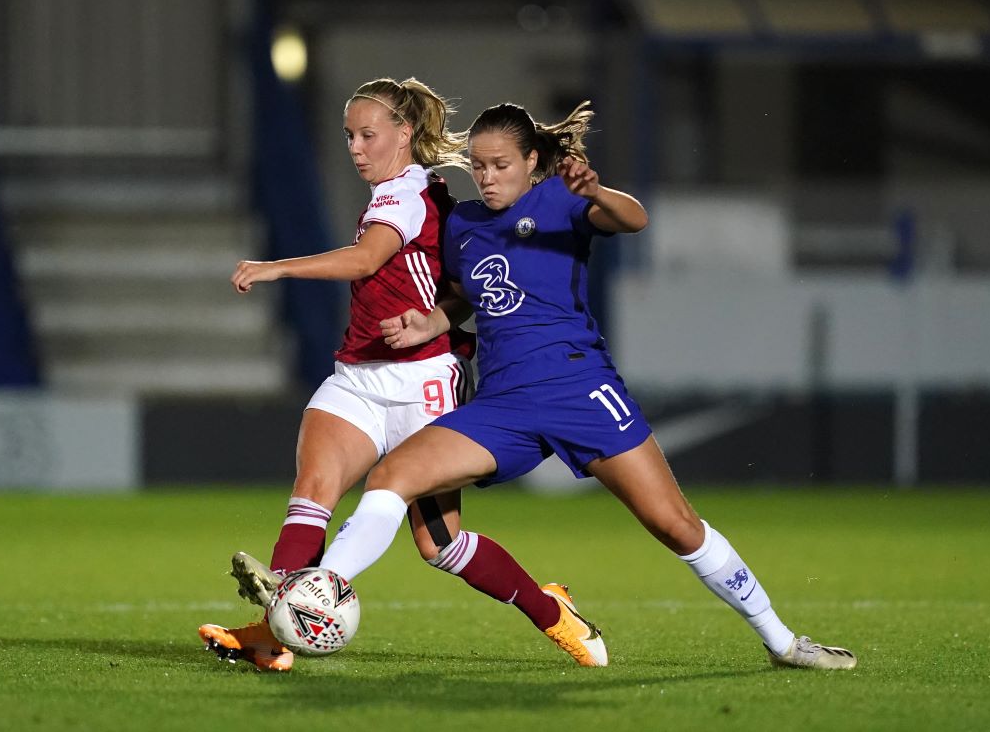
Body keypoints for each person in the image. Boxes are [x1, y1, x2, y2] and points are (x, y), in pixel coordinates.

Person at [288, 100, 857, 670]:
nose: (488, 178)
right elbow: (463, 294)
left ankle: (784, 642)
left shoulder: (560, 199)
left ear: (532, 160)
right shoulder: (462, 224)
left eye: (502, 166)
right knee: (392, 476)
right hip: (503, 405)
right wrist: (433, 321)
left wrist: (596, 191)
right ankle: (320, 588)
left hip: (579, 392)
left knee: (674, 524)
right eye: (479, 166)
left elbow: (634, 219)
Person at [199, 79, 606, 672]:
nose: (356, 148)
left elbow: (366, 260)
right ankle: (274, 633)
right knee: (313, 489)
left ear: (405, 134)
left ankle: (552, 612)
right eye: (349, 136)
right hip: (358, 376)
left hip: (423, 382)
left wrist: (275, 268)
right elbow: (449, 284)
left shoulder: (409, 194)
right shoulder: (406, 193)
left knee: (440, 545)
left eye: (368, 134)